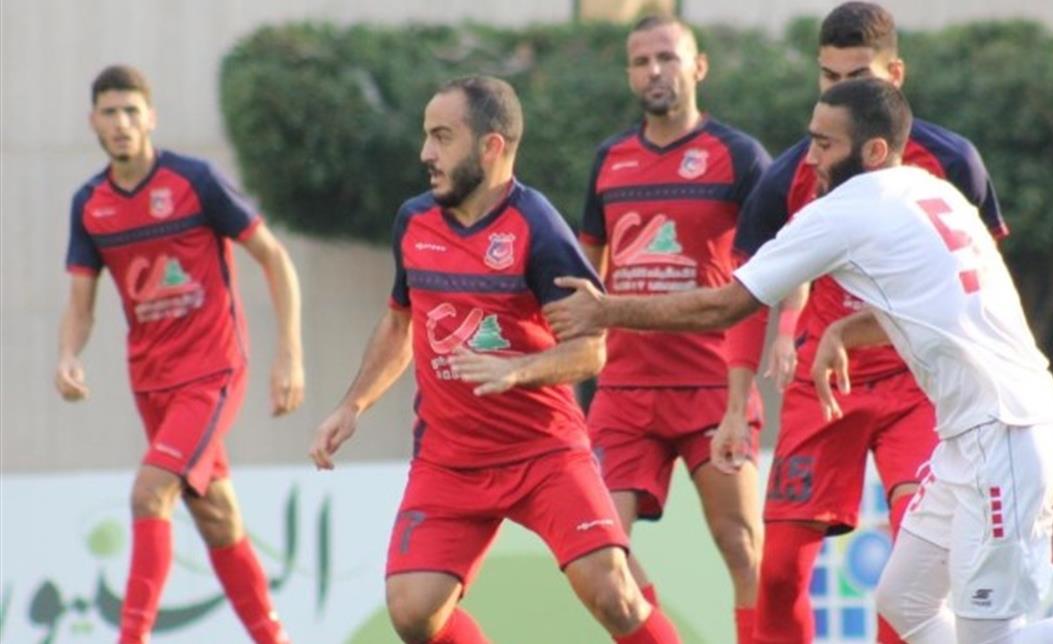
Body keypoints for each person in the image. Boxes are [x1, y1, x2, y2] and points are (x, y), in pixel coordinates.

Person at [544, 78, 1053, 644]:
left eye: (824, 144)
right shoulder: (931, 191)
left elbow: (727, 305)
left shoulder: (846, 208)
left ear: (874, 150)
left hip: (1006, 434)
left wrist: (607, 310)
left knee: (994, 639)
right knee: (903, 602)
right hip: (974, 436)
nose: (809, 159)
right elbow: (935, 303)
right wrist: (843, 332)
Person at [307, 75, 680, 644]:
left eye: (442, 137)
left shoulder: (538, 228)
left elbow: (591, 349)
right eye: (427, 136)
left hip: (544, 453)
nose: (425, 153)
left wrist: (517, 371)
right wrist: (352, 404)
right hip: (449, 460)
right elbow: (400, 322)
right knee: (413, 613)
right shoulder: (414, 221)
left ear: (491, 147)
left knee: (614, 594)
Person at [716, 3, 1007, 642]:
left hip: (919, 385)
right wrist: (736, 404)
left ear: (894, 76)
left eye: (858, 77)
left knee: (912, 562)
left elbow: (981, 285)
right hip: (823, 386)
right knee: (779, 573)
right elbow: (746, 292)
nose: (841, 93)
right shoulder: (793, 175)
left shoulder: (952, 162)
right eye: (829, 77)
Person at [58, 65, 301, 644]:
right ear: (94, 122)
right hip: (150, 383)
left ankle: (131, 637)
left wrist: (289, 354)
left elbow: (274, 257)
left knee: (150, 492)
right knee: (216, 517)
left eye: (131, 111)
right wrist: (68, 354)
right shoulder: (90, 204)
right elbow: (81, 303)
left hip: (212, 371)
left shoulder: (195, 181)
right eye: (110, 112)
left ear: (151, 118)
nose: (121, 123)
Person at [577, 15, 772, 642]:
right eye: (641, 61)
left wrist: (783, 343)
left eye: (667, 57)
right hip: (624, 390)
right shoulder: (610, 160)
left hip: (712, 384)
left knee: (741, 544)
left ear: (698, 66)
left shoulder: (739, 156)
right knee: (601, 552)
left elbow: (778, 263)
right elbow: (585, 273)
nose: (654, 71)